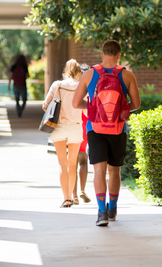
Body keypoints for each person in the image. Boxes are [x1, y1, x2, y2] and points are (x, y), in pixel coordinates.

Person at [72, 40, 141, 226]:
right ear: (119, 55)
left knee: (99, 171)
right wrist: (118, 113)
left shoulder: (88, 75)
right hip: (119, 129)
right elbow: (136, 104)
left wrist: (94, 109)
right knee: (115, 171)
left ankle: (102, 213)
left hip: (95, 128)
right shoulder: (127, 76)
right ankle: (113, 210)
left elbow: (76, 103)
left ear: (102, 54)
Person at [43, 59, 83, 208]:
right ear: (78, 73)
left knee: (62, 163)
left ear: (66, 71)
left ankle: (66, 198)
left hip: (59, 126)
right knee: (73, 164)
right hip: (75, 127)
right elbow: (86, 109)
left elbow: (45, 105)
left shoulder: (57, 85)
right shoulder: (82, 87)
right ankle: (72, 198)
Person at [72, 64, 91, 205]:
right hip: (85, 128)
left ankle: (74, 195)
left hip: (72, 127)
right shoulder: (90, 90)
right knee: (83, 162)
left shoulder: (72, 89)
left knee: (72, 162)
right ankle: (82, 190)